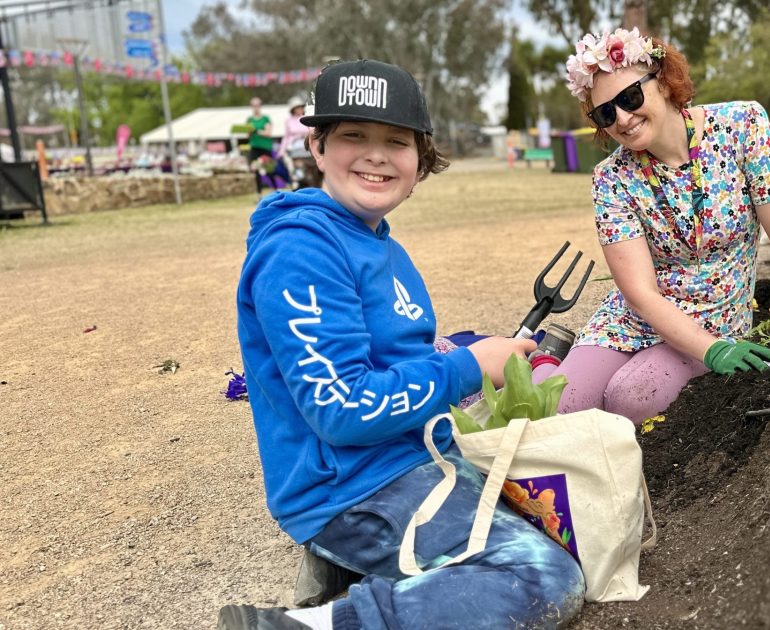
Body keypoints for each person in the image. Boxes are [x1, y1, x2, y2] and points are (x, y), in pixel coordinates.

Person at [221, 59, 584, 630]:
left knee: (567, 521)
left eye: (396, 140)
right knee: (541, 576)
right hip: (354, 491)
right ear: (317, 147)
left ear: (420, 159)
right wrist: (467, 367)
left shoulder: (376, 240)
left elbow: (386, 352)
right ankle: (309, 624)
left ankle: (365, 578)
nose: (376, 154)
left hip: (409, 458)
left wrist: (453, 352)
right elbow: (342, 408)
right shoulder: (302, 251)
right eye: (353, 136)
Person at [530, 28, 770, 424]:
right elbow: (639, 293)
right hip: (637, 316)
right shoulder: (611, 178)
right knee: (556, 408)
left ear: (665, 83)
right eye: (605, 113)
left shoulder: (743, 126)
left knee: (631, 397)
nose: (622, 118)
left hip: (714, 317)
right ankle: (544, 360)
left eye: (630, 97)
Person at [246, 96, 276, 195]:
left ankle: (275, 190)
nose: (256, 108)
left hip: (265, 148)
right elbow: (247, 135)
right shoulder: (249, 120)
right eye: (253, 106)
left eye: (257, 105)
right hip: (254, 147)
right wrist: (249, 132)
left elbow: (268, 133)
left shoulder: (265, 119)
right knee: (256, 170)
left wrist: (256, 131)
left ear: (260, 106)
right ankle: (259, 193)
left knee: (269, 171)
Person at [279, 96, 309, 187]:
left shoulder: (307, 118)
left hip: (307, 146)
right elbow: (286, 136)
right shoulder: (288, 121)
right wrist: (281, 151)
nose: (299, 109)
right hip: (294, 147)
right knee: (296, 166)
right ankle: (297, 182)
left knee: (307, 166)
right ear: (293, 109)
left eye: (300, 107)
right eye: (297, 107)